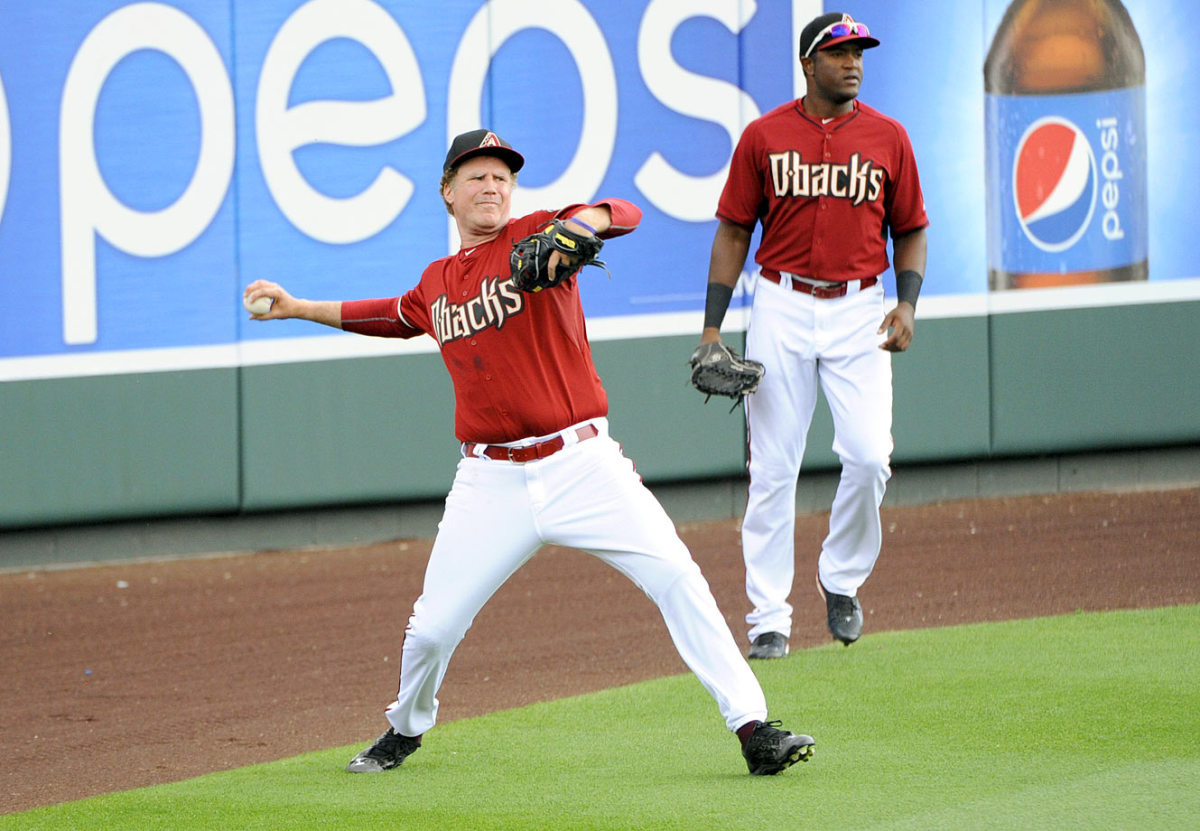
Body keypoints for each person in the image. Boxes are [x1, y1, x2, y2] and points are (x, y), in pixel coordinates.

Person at [244, 129, 815, 775]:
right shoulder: (437, 282)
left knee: (677, 577)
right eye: (476, 176)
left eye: (501, 176)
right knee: (432, 626)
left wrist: (585, 223)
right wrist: (298, 307)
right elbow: (390, 314)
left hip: (583, 464)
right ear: (448, 193)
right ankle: (404, 728)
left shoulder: (539, 234)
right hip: (489, 480)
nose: (491, 185)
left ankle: (753, 727)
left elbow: (622, 212)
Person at [695, 13, 929, 659]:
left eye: (859, 52)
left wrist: (907, 304)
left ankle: (840, 576)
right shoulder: (764, 136)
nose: (853, 62)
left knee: (869, 455)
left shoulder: (889, 137)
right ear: (809, 63)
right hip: (781, 304)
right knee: (772, 468)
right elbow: (735, 230)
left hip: (862, 308)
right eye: (839, 52)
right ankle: (769, 617)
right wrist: (713, 328)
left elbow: (910, 226)